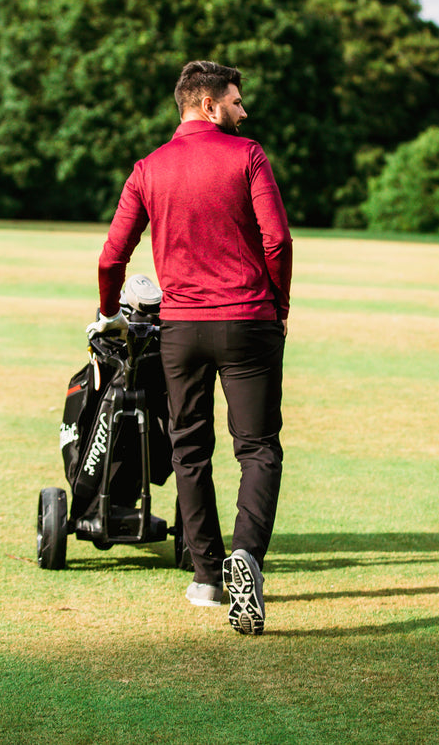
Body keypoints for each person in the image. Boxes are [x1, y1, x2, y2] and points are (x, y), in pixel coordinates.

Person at [90, 60, 292, 636]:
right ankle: (246, 558)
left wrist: (108, 312)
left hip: (180, 328)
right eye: (235, 100)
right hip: (249, 319)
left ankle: (206, 575)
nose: (243, 111)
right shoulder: (247, 155)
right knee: (257, 449)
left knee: (189, 449)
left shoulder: (148, 168)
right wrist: (278, 304)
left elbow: (112, 256)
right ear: (207, 104)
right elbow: (276, 239)